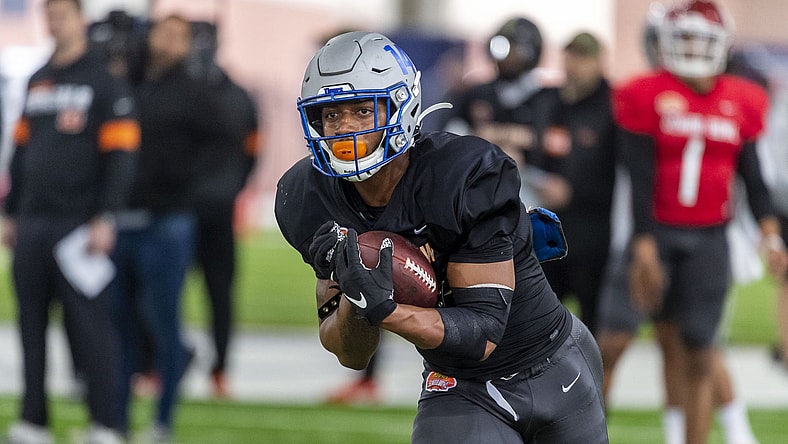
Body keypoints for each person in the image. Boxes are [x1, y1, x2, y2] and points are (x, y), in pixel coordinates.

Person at [275, 31, 608, 442]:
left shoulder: (463, 176)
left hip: (553, 365)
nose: (345, 129)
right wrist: (356, 304)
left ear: (401, 106)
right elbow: (351, 353)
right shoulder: (310, 198)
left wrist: (385, 309)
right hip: (459, 384)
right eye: (331, 114)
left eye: (362, 111)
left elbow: (483, 331)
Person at [612, 1, 788, 443]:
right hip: (657, 230)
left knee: (700, 348)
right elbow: (640, 177)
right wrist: (644, 243)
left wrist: (770, 235)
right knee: (627, 340)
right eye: (685, 38)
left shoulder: (742, 99)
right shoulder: (645, 93)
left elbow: (754, 179)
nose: (692, 48)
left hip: (710, 237)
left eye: (700, 39)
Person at [1, 0, 139, 443]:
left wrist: (106, 216)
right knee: (30, 327)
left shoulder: (104, 79)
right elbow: (22, 151)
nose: (55, 23)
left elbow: (121, 156)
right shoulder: (39, 78)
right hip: (32, 223)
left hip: (79, 226)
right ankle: (33, 420)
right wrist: (9, 212)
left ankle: (105, 424)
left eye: (62, 15)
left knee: (91, 330)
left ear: (81, 19)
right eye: (50, 16)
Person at [110, 14, 226, 440]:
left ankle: (162, 421)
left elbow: (222, 147)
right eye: (163, 32)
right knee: (119, 324)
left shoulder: (195, 93)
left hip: (167, 220)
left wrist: (192, 194)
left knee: (163, 323)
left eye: (177, 36)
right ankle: (116, 421)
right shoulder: (131, 83)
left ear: (187, 45)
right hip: (123, 219)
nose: (167, 41)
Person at [529, 31, 618, 335]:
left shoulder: (612, 107)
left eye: (583, 58)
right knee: (539, 319)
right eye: (571, 56)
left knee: (593, 322)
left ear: (599, 62)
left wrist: (574, 193)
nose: (574, 65)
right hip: (545, 229)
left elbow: (620, 178)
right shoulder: (546, 100)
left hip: (591, 233)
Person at [442, 16, 553, 205]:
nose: (506, 57)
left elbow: (551, 145)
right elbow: (450, 139)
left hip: (530, 187)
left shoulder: (547, 99)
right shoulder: (477, 94)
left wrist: (492, 136)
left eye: (513, 48)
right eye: (500, 47)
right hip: (480, 182)